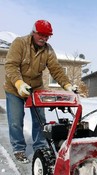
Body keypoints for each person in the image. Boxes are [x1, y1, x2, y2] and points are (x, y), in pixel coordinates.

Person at [4, 19, 77, 163]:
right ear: (34, 32)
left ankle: (40, 145)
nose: (44, 38)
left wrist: (67, 85)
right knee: (15, 121)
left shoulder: (48, 50)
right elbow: (11, 66)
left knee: (40, 120)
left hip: (35, 88)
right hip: (15, 87)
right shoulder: (20, 43)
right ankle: (18, 148)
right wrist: (19, 83)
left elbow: (56, 69)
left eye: (47, 36)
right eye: (41, 35)